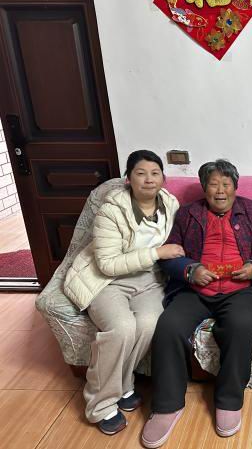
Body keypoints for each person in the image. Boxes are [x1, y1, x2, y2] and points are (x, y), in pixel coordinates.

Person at [141, 159, 252, 448]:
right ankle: (167, 405)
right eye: (213, 184)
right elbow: (170, 255)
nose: (220, 191)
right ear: (204, 188)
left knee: (241, 325)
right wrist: (190, 270)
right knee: (168, 326)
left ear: (235, 187)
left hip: (241, 290)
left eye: (226, 184)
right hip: (195, 290)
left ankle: (229, 400)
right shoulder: (188, 214)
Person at [64, 150, 183, 435]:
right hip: (107, 282)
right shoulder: (111, 210)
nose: (149, 179)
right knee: (122, 328)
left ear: (163, 178)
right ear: (128, 178)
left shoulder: (170, 204)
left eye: (155, 173)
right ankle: (100, 404)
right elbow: (106, 264)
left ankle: (124, 384)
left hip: (149, 281)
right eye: (140, 173)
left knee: (149, 324)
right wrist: (156, 253)